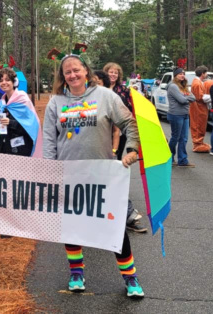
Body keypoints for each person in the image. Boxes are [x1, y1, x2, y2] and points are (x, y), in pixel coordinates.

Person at [43, 54, 144, 299]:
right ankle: (76, 273)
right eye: (67, 72)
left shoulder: (106, 97)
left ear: (86, 71)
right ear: (62, 76)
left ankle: (130, 277)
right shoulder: (56, 102)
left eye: (76, 70)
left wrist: (131, 150)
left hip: (103, 174)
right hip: (69, 175)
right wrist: (49, 170)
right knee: (71, 226)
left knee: (115, 226)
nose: (72, 75)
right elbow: (48, 139)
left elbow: (131, 124)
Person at [94, 69, 146, 233]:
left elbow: (117, 130)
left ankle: (128, 216)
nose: (94, 86)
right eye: (92, 84)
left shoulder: (110, 102)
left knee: (112, 182)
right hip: (89, 153)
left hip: (107, 150)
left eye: (98, 83)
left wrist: (115, 151)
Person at [0, 67, 40, 157]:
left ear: (14, 82)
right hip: (3, 147)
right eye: (1, 80)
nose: (4, 83)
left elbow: (32, 125)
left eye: (7, 80)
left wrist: (10, 122)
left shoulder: (23, 100)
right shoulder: (1, 103)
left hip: (20, 148)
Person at [167, 68, 196, 167]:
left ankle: (182, 160)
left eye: (183, 73)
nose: (182, 75)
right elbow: (182, 100)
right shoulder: (173, 86)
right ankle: (169, 158)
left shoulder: (184, 87)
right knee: (175, 137)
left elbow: (193, 98)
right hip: (175, 115)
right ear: (175, 75)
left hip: (185, 115)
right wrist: (186, 98)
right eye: (180, 74)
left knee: (184, 138)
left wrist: (185, 98)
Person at [103, 62, 131, 160]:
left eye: (116, 73)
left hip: (119, 129)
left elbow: (128, 108)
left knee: (117, 155)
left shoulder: (124, 90)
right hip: (103, 128)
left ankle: (115, 174)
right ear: (106, 73)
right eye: (111, 72)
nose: (113, 75)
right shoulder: (100, 89)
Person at [190, 66, 211, 153]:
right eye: (206, 73)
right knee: (198, 125)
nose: (206, 75)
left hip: (200, 108)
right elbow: (200, 97)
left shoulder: (198, 82)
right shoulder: (197, 83)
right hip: (198, 108)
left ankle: (200, 142)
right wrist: (212, 97)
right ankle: (197, 144)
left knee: (200, 125)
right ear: (202, 73)